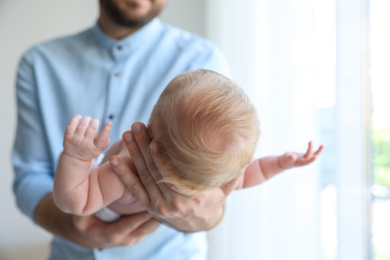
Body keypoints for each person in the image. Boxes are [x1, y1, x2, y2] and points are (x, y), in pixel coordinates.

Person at [52, 69, 323, 224]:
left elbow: (76, 201)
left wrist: (76, 156)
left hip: (131, 214)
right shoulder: (124, 170)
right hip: (109, 214)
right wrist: (282, 163)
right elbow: (256, 172)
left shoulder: (122, 172)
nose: (250, 164)